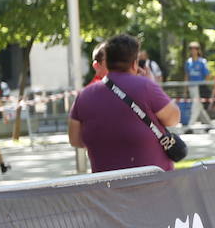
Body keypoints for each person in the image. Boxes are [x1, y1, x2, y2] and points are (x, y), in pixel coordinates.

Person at [69, 34, 180, 173]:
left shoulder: (84, 95)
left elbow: (75, 139)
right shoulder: (146, 87)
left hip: (106, 186)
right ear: (134, 63)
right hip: (152, 183)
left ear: (107, 61)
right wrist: (152, 84)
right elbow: (173, 119)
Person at [183, 43, 213, 132]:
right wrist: (185, 89)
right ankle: (209, 124)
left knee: (195, 106)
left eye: (195, 49)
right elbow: (187, 76)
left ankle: (190, 126)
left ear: (198, 50)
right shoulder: (188, 62)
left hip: (200, 87)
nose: (193, 51)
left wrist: (204, 85)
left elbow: (207, 74)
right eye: (191, 49)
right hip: (192, 87)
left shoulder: (202, 61)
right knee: (198, 106)